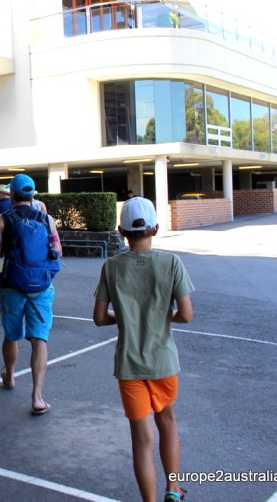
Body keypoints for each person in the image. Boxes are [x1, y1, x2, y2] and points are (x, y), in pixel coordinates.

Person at [91, 197, 194, 502]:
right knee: (168, 423)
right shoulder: (171, 263)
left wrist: (123, 318)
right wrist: (166, 316)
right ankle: (173, 492)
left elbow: (99, 318)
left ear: (121, 230)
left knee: (141, 440)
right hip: (164, 361)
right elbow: (187, 314)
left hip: (129, 364)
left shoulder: (111, 266)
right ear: (156, 228)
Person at [0, 173, 61, 416]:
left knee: (12, 335)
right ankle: (37, 397)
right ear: (32, 195)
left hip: (13, 284)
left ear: (12, 194)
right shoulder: (47, 219)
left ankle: (10, 375)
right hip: (41, 286)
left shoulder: (1, 219)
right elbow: (57, 250)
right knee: (40, 339)